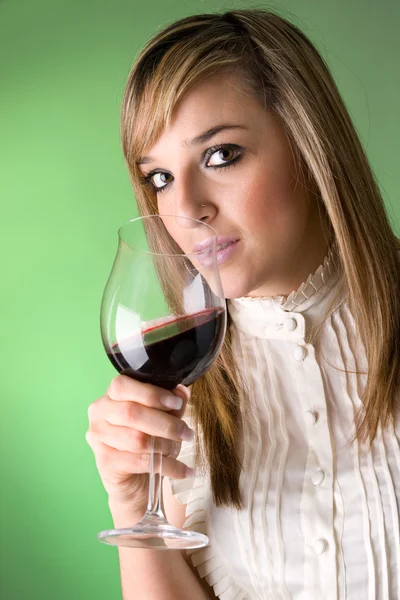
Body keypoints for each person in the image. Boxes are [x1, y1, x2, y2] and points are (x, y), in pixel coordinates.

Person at [86, 9, 400, 600]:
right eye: (159, 178)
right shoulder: (183, 387)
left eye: (220, 155)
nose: (187, 208)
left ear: (310, 146)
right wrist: (131, 509)